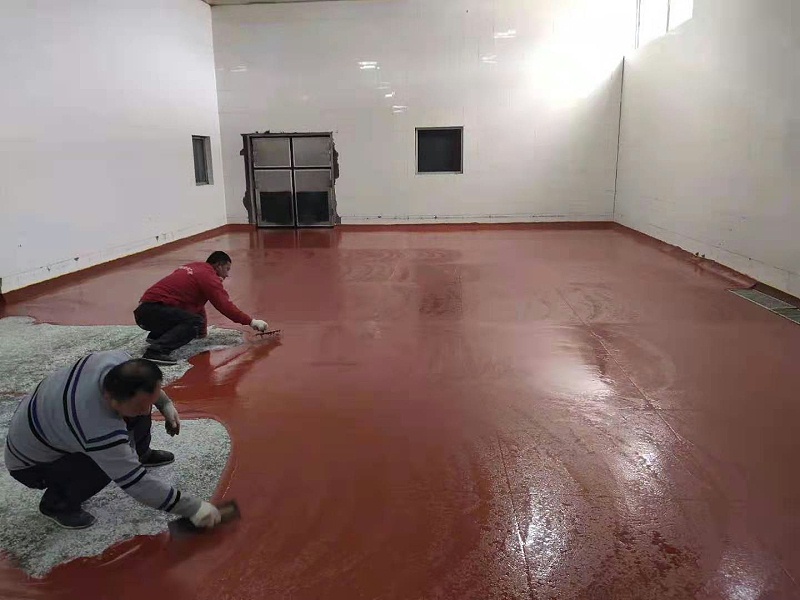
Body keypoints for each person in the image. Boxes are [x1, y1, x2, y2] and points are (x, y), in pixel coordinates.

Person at [4, 351, 222, 530]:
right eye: (140, 405)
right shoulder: (94, 425)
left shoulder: (117, 362)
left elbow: (145, 386)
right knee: (101, 466)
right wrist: (193, 508)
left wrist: (164, 404)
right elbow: (135, 483)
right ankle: (57, 504)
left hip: (50, 422)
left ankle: (142, 454)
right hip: (32, 464)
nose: (146, 410)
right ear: (109, 397)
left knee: (135, 413)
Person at [134, 251, 268, 365]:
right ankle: (156, 351)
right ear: (218, 265)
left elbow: (196, 303)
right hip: (154, 312)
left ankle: (157, 336)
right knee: (193, 322)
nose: (227, 274)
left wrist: (201, 333)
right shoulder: (208, 277)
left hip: (145, 312)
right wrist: (251, 322)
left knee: (192, 320)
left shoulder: (194, 267)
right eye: (227, 269)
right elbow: (224, 306)